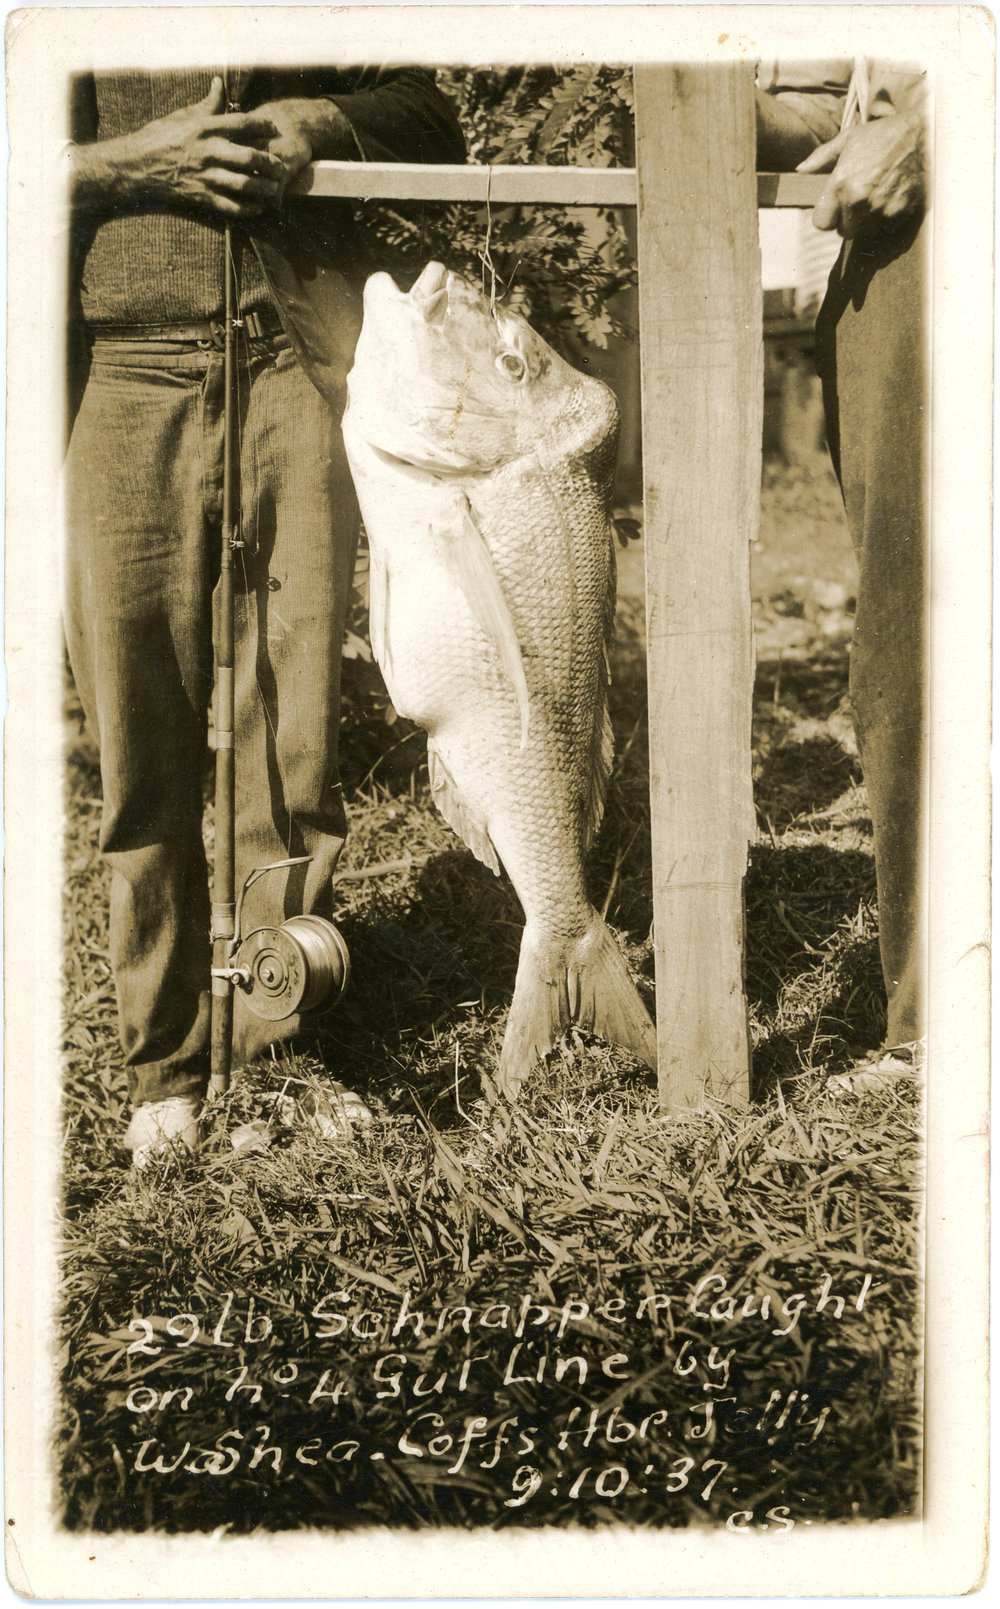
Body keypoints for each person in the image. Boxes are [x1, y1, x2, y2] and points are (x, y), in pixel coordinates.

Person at [64, 66, 465, 1164]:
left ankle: (280, 1046)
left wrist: (316, 122)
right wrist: (123, 166)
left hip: (290, 358)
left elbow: (428, 111)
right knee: (137, 728)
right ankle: (166, 1064)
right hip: (114, 368)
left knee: (286, 729)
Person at [757, 60, 927, 1080]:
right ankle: (936, 1011)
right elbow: (832, 110)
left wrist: (941, 122)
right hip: (889, 255)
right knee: (909, 645)